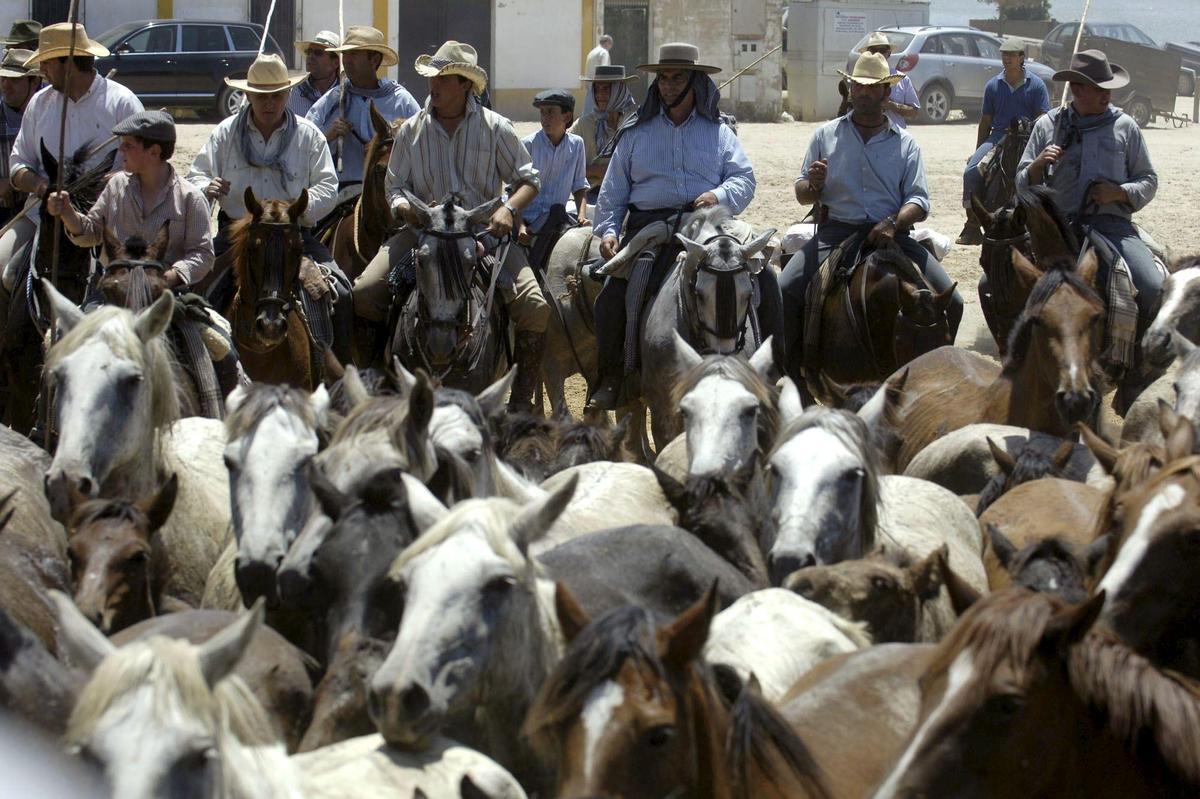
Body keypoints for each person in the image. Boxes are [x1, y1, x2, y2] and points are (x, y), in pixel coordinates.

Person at [353, 40, 549, 412]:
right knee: (364, 291)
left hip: (482, 234)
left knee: (535, 307)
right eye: (433, 77)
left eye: (443, 78)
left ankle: (521, 405)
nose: (434, 85)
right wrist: (403, 209)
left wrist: (508, 208)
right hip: (422, 232)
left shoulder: (496, 128)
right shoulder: (412, 130)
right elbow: (394, 187)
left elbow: (529, 179)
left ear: (464, 85)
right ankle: (374, 387)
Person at [587, 42, 770, 412]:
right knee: (613, 294)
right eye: (664, 78)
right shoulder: (635, 132)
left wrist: (717, 195)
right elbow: (612, 193)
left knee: (765, 279)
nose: (669, 85)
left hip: (708, 227)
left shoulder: (719, 133)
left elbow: (744, 179)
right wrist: (608, 230)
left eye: (678, 77)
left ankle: (773, 372)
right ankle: (613, 376)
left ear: (695, 83)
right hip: (649, 230)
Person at [780, 52, 963, 388]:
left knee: (952, 301)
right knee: (785, 291)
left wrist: (893, 222)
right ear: (850, 89)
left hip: (893, 235)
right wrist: (814, 185)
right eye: (858, 86)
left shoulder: (906, 144)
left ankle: (938, 384)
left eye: (871, 87)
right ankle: (793, 379)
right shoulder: (825, 135)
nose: (863, 92)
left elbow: (919, 200)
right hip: (837, 231)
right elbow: (802, 193)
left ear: (886, 93)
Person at [186, 53, 354, 364]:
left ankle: (339, 377)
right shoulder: (225, 132)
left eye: (276, 95)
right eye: (262, 96)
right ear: (248, 94)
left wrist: (295, 210)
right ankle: (191, 367)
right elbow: (196, 175)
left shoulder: (308, 135)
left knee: (341, 294)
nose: (269, 103)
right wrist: (205, 186)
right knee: (190, 291)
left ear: (288, 94)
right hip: (236, 234)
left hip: (294, 237)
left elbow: (328, 187)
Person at [1017, 49, 1159, 331]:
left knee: (1152, 286)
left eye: (1109, 89)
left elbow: (1148, 180)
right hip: (1057, 230)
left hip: (1112, 228)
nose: (1108, 96)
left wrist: (1118, 193)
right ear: (1078, 89)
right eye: (1099, 89)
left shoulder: (1125, 127)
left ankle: (1138, 363)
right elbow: (1020, 184)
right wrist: (1036, 166)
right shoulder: (1048, 125)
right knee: (1000, 284)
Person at [2, 22, 143, 295]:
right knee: (3, 266)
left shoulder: (122, 102)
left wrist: (97, 184)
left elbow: (142, 168)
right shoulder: (39, 103)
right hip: (41, 215)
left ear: (68, 63)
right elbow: (18, 166)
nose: (41, 69)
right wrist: (43, 187)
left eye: (47, 62)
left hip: (109, 220)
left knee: (132, 285)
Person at [45, 111, 214, 290]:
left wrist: (167, 278)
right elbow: (92, 232)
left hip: (166, 294)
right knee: (82, 318)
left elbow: (202, 254)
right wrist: (67, 213)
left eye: (129, 145)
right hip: (113, 290)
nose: (121, 149)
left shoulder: (190, 199)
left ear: (154, 152)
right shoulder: (116, 186)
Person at [957, 37, 1051, 245]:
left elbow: (1043, 116)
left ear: (1021, 57)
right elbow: (986, 120)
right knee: (971, 171)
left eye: (1011, 55)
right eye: (1004, 54)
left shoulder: (1036, 85)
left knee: (1048, 172)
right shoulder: (993, 85)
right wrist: (978, 150)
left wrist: (1027, 125)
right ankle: (972, 224)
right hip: (998, 135)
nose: (1007, 58)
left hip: (1028, 138)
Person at [307, 26, 420, 187]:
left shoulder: (401, 101)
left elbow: (421, 147)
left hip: (389, 190)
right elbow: (304, 147)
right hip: (341, 192)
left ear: (374, 60)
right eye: (345, 54)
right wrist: (329, 136)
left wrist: (386, 152)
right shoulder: (334, 99)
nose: (346, 60)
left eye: (354, 54)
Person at [520, 89, 588, 270]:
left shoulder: (577, 144)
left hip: (556, 221)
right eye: (542, 112)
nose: (545, 118)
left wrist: (582, 216)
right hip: (528, 221)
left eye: (550, 112)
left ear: (566, 117)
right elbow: (514, 191)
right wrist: (519, 226)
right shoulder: (528, 144)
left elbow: (580, 186)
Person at [569, 64, 638, 200]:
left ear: (619, 90)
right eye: (597, 89)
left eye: (606, 89)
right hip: (590, 196)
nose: (600, 95)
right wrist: (596, 170)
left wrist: (598, 171)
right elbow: (565, 161)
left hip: (629, 195)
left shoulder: (635, 122)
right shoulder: (584, 124)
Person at [0, 50, 41, 228]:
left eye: (15, 80)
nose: (6, 86)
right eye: (3, 79)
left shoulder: (49, 115)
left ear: (34, 82)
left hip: (39, 208)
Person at [858, 32, 918, 128]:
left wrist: (892, 106)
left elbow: (914, 112)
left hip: (895, 135)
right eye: (874, 50)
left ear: (889, 53)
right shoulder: (859, 80)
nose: (878, 54)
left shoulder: (902, 79)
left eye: (882, 50)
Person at [287, 30, 340, 117]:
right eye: (309, 52)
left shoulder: (346, 97)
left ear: (335, 63)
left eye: (318, 53)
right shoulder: (291, 94)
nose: (310, 56)